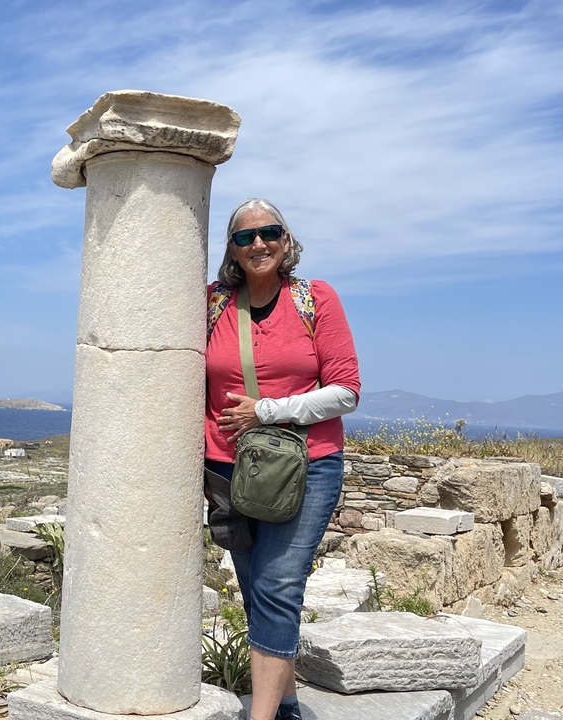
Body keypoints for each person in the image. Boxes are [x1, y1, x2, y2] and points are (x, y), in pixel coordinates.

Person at [205, 198, 360, 720]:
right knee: (258, 592)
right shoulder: (213, 303)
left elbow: (346, 392)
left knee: (277, 586)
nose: (259, 243)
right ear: (232, 249)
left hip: (305, 466)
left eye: (269, 232)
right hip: (227, 468)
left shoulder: (315, 298)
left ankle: (262, 715)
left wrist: (267, 411)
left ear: (286, 240)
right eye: (244, 237)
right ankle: (286, 703)